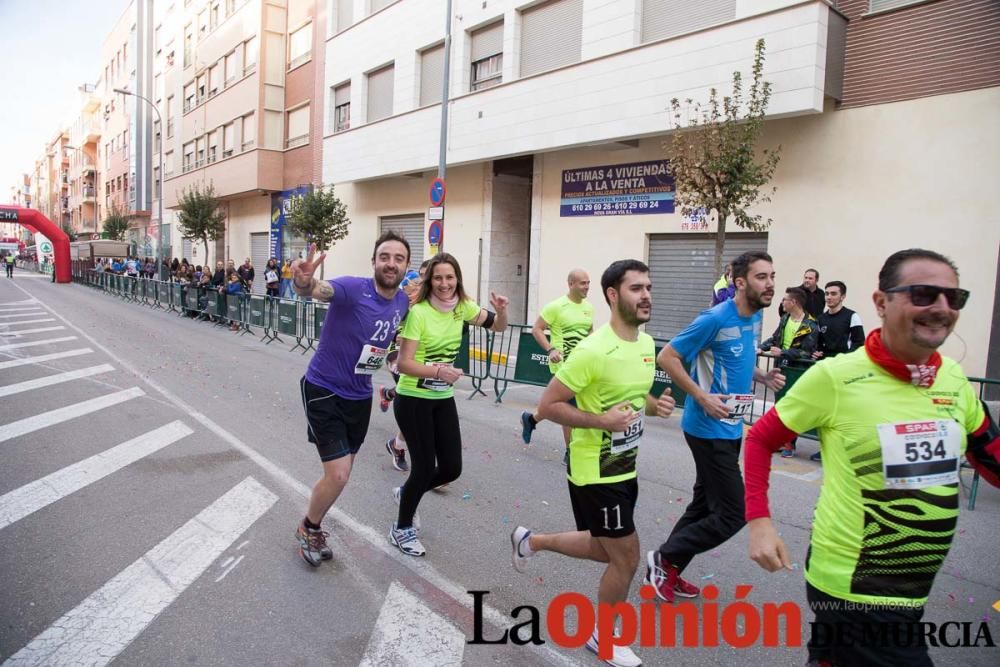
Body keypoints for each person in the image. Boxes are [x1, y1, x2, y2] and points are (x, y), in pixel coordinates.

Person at [745, 248, 1000, 667]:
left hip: (914, 585)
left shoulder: (952, 379)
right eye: (923, 294)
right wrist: (759, 523)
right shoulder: (836, 377)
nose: (941, 308)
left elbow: (990, 453)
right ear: (881, 302)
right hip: (858, 584)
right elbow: (760, 439)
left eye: (953, 298)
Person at [510, 259, 676, 667]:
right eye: (636, 288)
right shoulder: (592, 350)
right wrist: (602, 421)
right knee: (627, 557)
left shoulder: (645, 344)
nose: (646, 295)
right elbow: (548, 406)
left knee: (606, 551)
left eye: (649, 287)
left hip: (625, 465)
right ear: (613, 295)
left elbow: (634, 398)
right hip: (595, 470)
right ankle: (604, 637)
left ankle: (531, 541)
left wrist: (656, 406)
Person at [649, 250, 785, 603]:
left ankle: (669, 569)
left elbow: (736, 357)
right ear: (740, 283)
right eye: (761, 277)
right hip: (707, 428)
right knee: (733, 512)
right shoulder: (714, 318)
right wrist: (701, 396)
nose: (770, 284)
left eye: (772, 276)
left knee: (703, 506)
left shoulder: (753, 318)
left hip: (731, 426)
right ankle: (663, 558)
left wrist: (762, 375)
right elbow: (668, 356)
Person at [293, 233, 411, 566]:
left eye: (398, 258)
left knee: (342, 474)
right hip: (324, 388)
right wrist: (302, 282)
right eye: (384, 256)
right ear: (374, 261)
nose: (390, 263)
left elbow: (387, 340)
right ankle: (308, 527)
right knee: (339, 475)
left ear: (406, 266)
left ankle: (312, 526)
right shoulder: (350, 288)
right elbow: (315, 289)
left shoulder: (403, 302)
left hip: (360, 396)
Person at [390, 253, 508, 557]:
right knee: (424, 466)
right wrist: (439, 371)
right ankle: (401, 528)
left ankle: (405, 494)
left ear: (458, 279)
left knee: (452, 468)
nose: (445, 284)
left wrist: (502, 312)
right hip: (413, 398)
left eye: (450, 277)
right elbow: (404, 364)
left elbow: (498, 327)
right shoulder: (419, 313)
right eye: (439, 278)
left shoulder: (463, 307)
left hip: (441, 398)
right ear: (431, 280)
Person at [520, 269, 594, 449]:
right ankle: (570, 451)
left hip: (582, 365)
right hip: (562, 366)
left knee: (561, 405)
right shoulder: (556, 307)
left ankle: (531, 419)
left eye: (588, 283)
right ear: (570, 284)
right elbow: (537, 329)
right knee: (568, 409)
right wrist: (550, 349)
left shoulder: (588, 307)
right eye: (583, 283)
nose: (587, 287)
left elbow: (589, 332)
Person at [382, 259, 431, 474]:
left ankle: (390, 395)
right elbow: (387, 323)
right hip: (397, 354)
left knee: (417, 405)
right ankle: (400, 446)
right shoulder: (403, 295)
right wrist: (398, 337)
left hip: (419, 358)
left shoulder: (433, 302)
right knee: (415, 406)